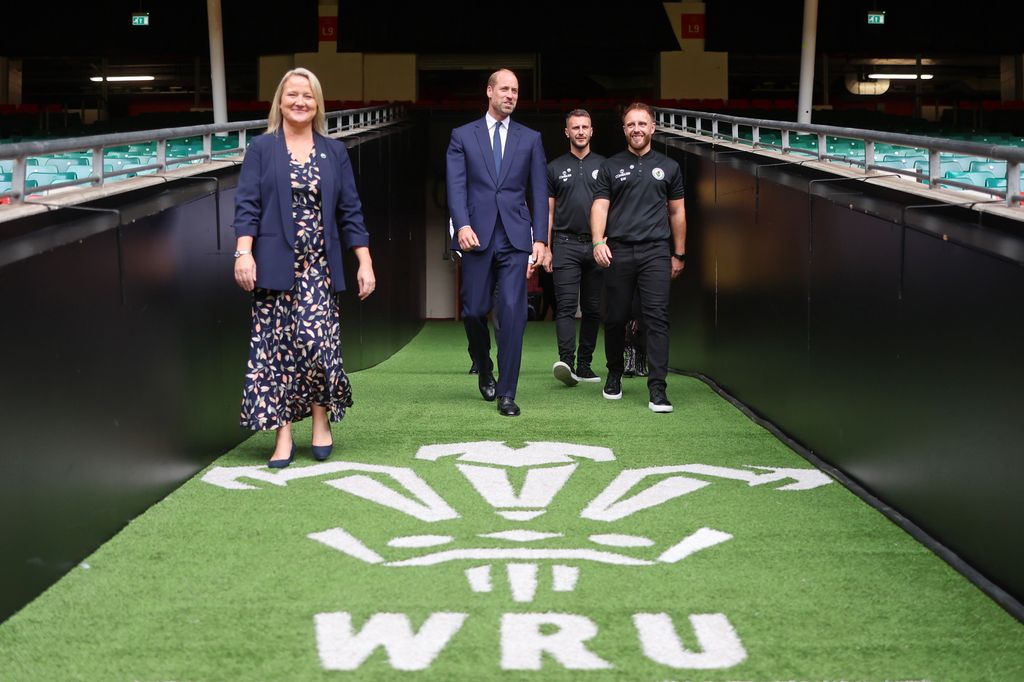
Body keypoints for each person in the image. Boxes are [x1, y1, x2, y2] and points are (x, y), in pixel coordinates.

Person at [232, 67, 375, 467]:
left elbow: (351, 211)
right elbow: (247, 206)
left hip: (320, 267)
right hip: (274, 266)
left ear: (318, 104)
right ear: (280, 101)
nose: (300, 102)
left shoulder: (335, 151)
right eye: (292, 94)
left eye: (308, 96)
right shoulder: (262, 149)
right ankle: (283, 435)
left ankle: (320, 418)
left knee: (316, 346)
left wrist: (364, 262)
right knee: (278, 351)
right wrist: (244, 253)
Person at [446, 68, 547, 417]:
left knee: (512, 313)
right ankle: (483, 364)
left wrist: (542, 240)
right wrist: (461, 225)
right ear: (489, 92)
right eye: (504, 88)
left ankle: (507, 392)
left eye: (515, 90)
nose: (510, 95)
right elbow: (456, 186)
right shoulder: (462, 136)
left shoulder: (530, 139)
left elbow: (538, 190)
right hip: (477, 237)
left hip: (516, 238)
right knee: (473, 310)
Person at [591, 102, 686, 413]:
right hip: (618, 250)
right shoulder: (609, 166)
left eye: (642, 124)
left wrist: (679, 253)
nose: (637, 129)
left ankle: (657, 389)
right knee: (615, 317)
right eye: (631, 124)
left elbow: (677, 211)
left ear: (653, 127)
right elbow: (601, 207)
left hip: (656, 251)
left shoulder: (669, 167)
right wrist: (597, 242)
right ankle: (615, 373)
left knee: (657, 318)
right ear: (624, 129)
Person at [544, 108, 605, 388]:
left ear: (592, 131)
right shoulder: (554, 168)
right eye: (575, 128)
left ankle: (585, 364)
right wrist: (546, 247)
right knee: (566, 307)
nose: (580, 132)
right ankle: (566, 363)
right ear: (567, 132)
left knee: (593, 309)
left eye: (585, 127)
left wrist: (606, 241)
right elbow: (549, 212)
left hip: (597, 245)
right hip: (565, 244)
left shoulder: (606, 166)